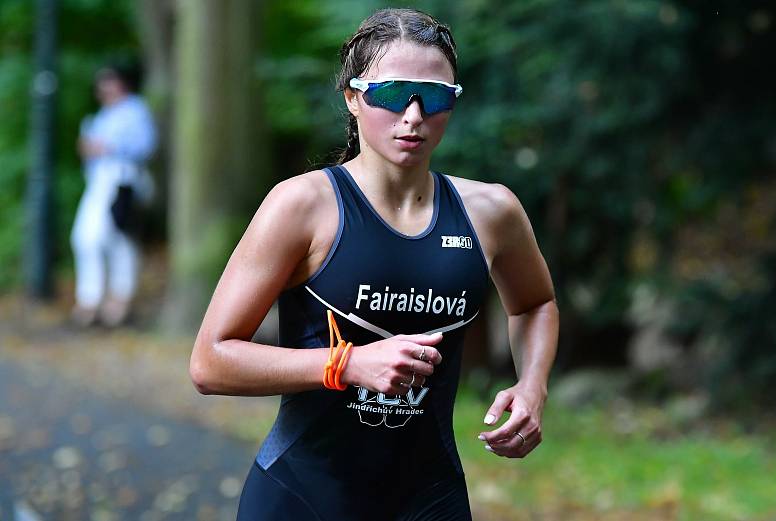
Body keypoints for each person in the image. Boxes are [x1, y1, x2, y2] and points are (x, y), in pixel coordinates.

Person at [190, 8, 558, 521]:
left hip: (430, 500)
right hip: (304, 497)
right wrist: (348, 364)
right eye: (390, 94)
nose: (412, 116)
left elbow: (535, 302)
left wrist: (532, 386)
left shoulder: (491, 212)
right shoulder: (302, 206)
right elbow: (210, 362)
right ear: (353, 98)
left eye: (433, 97)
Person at [70, 63, 157, 328]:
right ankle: (93, 299)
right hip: (98, 181)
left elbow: (145, 145)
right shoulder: (101, 116)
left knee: (118, 238)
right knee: (88, 237)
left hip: (122, 181)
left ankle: (117, 300)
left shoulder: (135, 110)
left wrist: (108, 147)